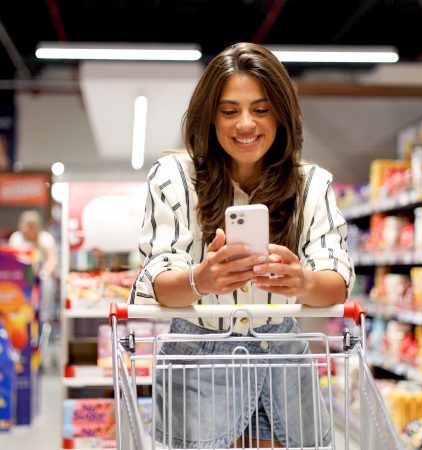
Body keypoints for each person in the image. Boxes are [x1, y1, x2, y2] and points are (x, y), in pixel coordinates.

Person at [129, 42, 355, 448]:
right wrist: (201, 278)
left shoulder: (312, 184)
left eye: (262, 109)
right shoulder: (173, 178)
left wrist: (301, 282)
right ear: (210, 117)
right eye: (229, 110)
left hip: (284, 358)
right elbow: (156, 279)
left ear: (282, 114)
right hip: (197, 361)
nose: (246, 124)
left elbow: (336, 279)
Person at [9, 210, 57, 324]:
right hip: (21, 277)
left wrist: (43, 273)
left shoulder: (45, 238)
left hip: (40, 276)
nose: (27, 230)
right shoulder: (16, 238)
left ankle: (43, 319)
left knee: (46, 283)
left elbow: (52, 259)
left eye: (31, 227)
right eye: (25, 226)